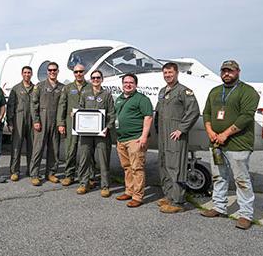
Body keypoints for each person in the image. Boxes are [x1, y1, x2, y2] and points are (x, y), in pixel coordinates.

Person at [200, 60, 259, 230]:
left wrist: (225, 134)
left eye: (230, 71)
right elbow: (207, 113)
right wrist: (211, 132)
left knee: (242, 180)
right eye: (224, 71)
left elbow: (246, 116)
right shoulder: (215, 91)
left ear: (238, 72)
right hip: (217, 143)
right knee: (219, 176)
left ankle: (245, 214)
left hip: (238, 145)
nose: (226, 73)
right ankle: (219, 207)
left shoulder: (247, 91)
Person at [155, 62, 200, 213]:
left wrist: (181, 129)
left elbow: (193, 111)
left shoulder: (183, 91)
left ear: (177, 73)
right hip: (162, 135)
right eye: (165, 73)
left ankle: (178, 201)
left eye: (170, 73)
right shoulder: (163, 91)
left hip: (175, 135)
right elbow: (158, 112)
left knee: (176, 167)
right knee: (164, 165)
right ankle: (169, 195)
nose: (167, 75)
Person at [115, 73, 153, 208]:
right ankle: (129, 191)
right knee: (127, 167)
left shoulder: (141, 99)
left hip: (135, 139)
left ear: (135, 84)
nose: (128, 84)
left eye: (131, 82)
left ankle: (138, 196)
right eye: (125, 82)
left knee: (137, 167)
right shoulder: (119, 99)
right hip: (122, 139)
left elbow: (148, 117)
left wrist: (143, 137)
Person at [77, 70, 115, 197]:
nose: (95, 80)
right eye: (93, 78)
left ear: (102, 79)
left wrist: (108, 128)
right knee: (84, 158)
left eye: (98, 78)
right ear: (90, 79)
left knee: (103, 160)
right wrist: (76, 117)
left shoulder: (107, 95)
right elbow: (80, 109)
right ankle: (84, 183)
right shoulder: (85, 93)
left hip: (102, 133)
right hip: (86, 133)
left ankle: (105, 186)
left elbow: (111, 114)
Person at [30, 61, 65, 186]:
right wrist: (36, 120)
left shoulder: (62, 87)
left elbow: (63, 106)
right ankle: (34, 174)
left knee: (54, 148)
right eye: (50, 70)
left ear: (58, 71)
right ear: (47, 72)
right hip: (42, 120)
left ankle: (51, 173)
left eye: (54, 70)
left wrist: (62, 123)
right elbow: (34, 104)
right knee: (38, 148)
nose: (52, 72)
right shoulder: (39, 86)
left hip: (55, 121)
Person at [57, 64, 88, 186]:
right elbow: (62, 105)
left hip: (86, 123)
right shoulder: (68, 88)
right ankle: (69, 175)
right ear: (73, 73)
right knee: (70, 149)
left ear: (84, 72)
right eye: (76, 72)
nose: (78, 74)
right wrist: (61, 123)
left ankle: (87, 176)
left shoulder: (90, 87)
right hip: (71, 123)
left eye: (81, 71)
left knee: (86, 150)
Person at [7, 66, 34, 181]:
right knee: (16, 146)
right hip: (19, 119)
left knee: (32, 147)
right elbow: (10, 106)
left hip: (32, 120)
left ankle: (32, 170)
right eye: (25, 72)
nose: (27, 74)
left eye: (29, 73)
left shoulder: (36, 88)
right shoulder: (16, 89)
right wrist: (10, 121)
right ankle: (14, 171)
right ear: (22, 74)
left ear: (31, 74)